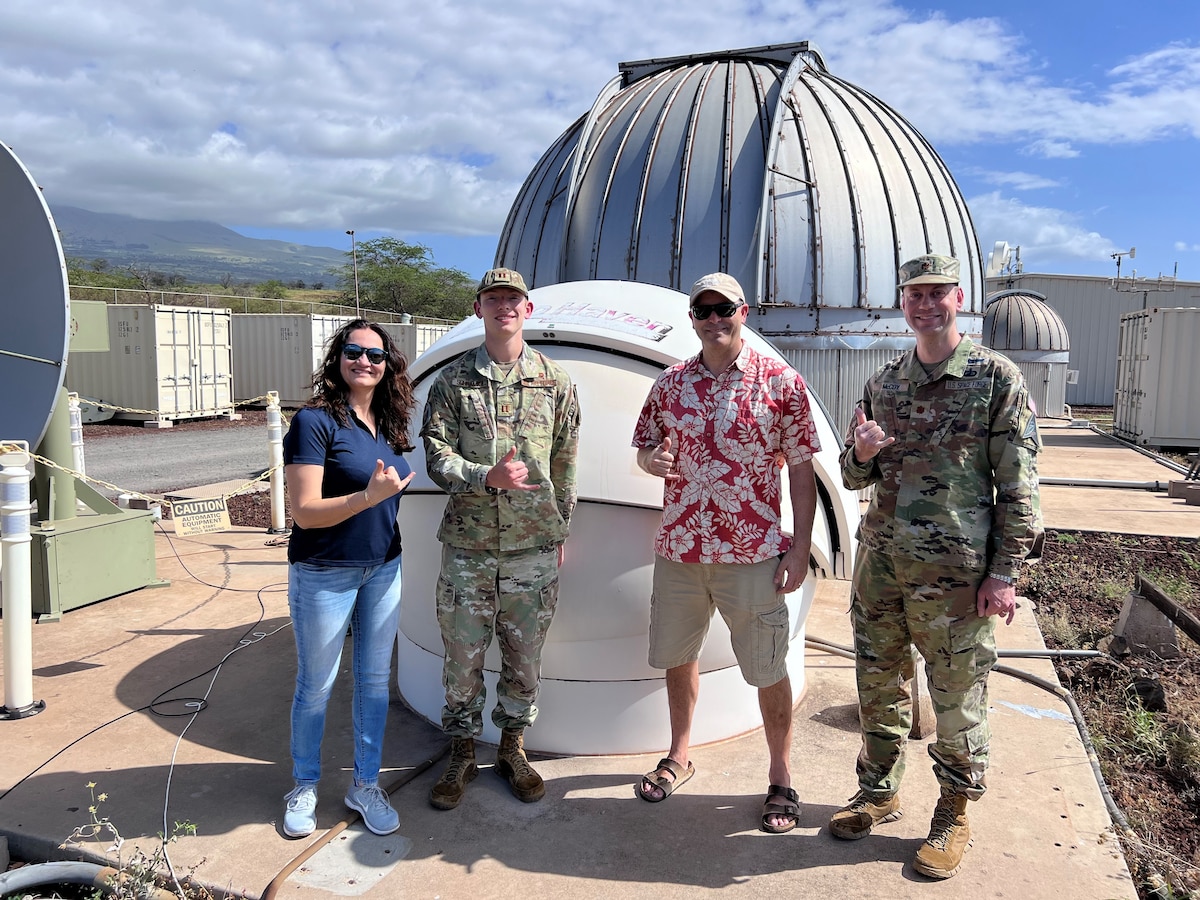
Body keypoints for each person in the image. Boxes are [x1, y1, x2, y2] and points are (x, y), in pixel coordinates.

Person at [829, 253, 1041, 879]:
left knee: (956, 697)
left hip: (956, 578)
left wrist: (1003, 573)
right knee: (879, 681)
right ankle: (879, 789)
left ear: (959, 298)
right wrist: (862, 455)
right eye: (914, 294)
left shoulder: (995, 379)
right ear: (903, 302)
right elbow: (850, 473)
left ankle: (953, 809)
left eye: (937, 294)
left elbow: (1020, 485)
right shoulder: (884, 383)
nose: (925, 305)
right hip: (881, 567)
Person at [631, 272, 820, 834]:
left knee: (766, 666)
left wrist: (801, 548)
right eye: (703, 310)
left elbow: (804, 473)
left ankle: (781, 776)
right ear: (692, 317)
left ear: (744, 312)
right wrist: (650, 463)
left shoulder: (781, 382)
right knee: (677, 654)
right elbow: (644, 446)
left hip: (753, 551)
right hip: (681, 549)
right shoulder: (670, 383)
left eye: (724, 309)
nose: (714, 319)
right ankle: (680, 755)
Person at [421, 267, 580, 810]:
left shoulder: (554, 381)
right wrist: (480, 476)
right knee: (462, 654)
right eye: (494, 299)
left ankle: (513, 746)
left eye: (513, 299)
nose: (504, 307)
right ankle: (462, 749)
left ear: (527, 310)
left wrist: (561, 524)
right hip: (468, 546)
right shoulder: (451, 381)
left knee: (524, 655)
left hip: (532, 548)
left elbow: (565, 461)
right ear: (479, 307)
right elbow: (436, 456)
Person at [281, 319, 416, 838]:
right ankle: (305, 785)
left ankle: (364, 784)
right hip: (323, 571)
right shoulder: (315, 421)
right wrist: (367, 497)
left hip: (383, 567)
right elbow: (305, 511)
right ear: (338, 358)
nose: (365, 361)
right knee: (316, 685)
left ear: (388, 367)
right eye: (354, 351)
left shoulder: (387, 421)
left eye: (376, 355)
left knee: (374, 684)